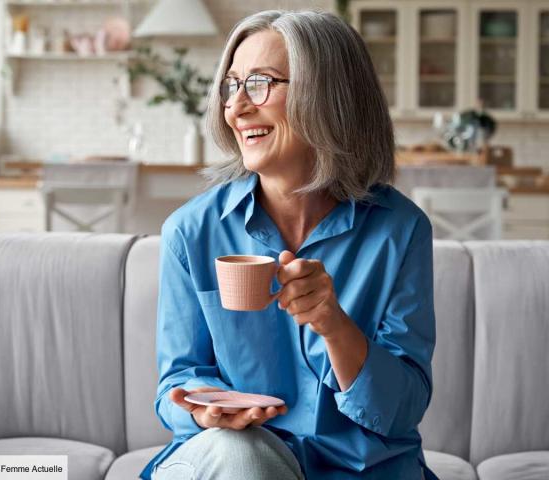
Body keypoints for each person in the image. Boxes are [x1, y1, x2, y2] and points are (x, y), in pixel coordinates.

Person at [140, 9, 438, 480]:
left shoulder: (400, 232)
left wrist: (334, 324)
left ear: (328, 96)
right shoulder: (191, 232)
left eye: (259, 83)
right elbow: (176, 383)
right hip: (236, 460)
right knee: (243, 459)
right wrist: (203, 411)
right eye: (231, 86)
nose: (236, 107)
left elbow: (401, 410)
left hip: (363, 470)